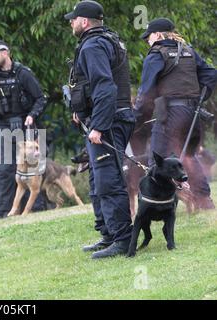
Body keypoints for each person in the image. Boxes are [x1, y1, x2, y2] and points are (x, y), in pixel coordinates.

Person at [65, 0, 135, 258]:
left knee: (108, 180)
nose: (71, 23)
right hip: (113, 116)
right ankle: (107, 233)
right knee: (97, 178)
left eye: (73, 19)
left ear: (84, 21)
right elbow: (91, 86)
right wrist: (81, 110)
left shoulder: (93, 45)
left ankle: (123, 239)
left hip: (109, 120)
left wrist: (99, 126)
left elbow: (105, 87)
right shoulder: (108, 39)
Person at [135, 17, 217, 210]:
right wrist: (199, 98)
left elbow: (145, 91)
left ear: (157, 34)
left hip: (171, 113)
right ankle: (204, 201)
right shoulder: (189, 51)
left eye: (148, 36)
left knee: (156, 157)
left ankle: (153, 204)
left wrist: (136, 116)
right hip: (192, 114)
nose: (148, 40)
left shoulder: (156, 54)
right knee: (188, 156)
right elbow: (211, 74)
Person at [0, 40, 47, 219]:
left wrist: (31, 115)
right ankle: (6, 212)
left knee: (31, 168)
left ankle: (35, 210)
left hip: (24, 124)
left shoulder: (23, 74)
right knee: (4, 170)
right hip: (1, 126)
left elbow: (41, 99)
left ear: (6, 53)